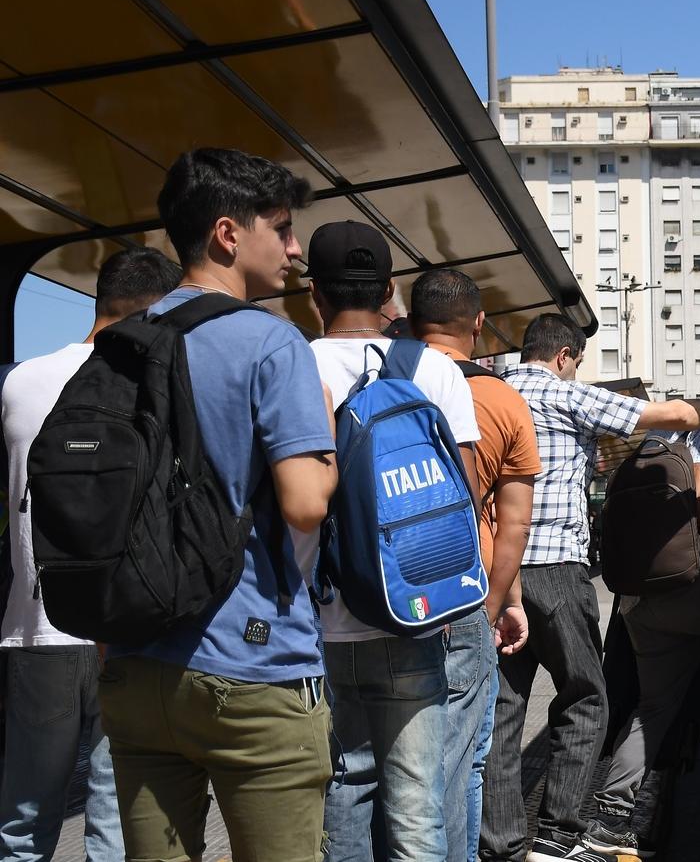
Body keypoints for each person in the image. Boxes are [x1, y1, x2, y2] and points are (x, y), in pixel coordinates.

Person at [97, 148, 338, 862]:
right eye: (283, 228)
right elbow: (303, 505)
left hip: (136, 666)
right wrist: (321, 442)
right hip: (251, 667)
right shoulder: (270, 340)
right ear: (229, 234)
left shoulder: (123, 344)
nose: (295, 249)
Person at [482, 314, 700, 862]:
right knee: (588, 699)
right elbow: (678, 423)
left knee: (504, 708)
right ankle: (560, 836)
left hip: (500, 570)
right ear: (566, 355)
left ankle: (502, 845)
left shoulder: (491, 393)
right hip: (557, 568)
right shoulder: (565, 394)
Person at [297, 221, 482, 862]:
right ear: (390, 292)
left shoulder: (290, 365)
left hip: (316, 622)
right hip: (415, 619)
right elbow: (464, 495)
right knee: (416, 804)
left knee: (341, 791)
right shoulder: (433, 369)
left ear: (313, 293)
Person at [0, 247, 180, 861]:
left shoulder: (20, 379)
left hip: (36, 628)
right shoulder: (147, 382)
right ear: (153, 312)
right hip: (124, 627)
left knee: (25, 818)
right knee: (112, 818)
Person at [586, 359, 700, 857]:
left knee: (655, 708)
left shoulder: (666, 437)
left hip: (647, 596)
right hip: (696, 585)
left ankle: (610, 816)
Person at [408, 268, 540, 861]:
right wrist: (497, 604)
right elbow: (512, 523)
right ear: (480, 324)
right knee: (464, 758)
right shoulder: (503, 398)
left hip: (384, 596)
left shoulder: (382, 378)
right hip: (464, 595)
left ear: (413, 322)